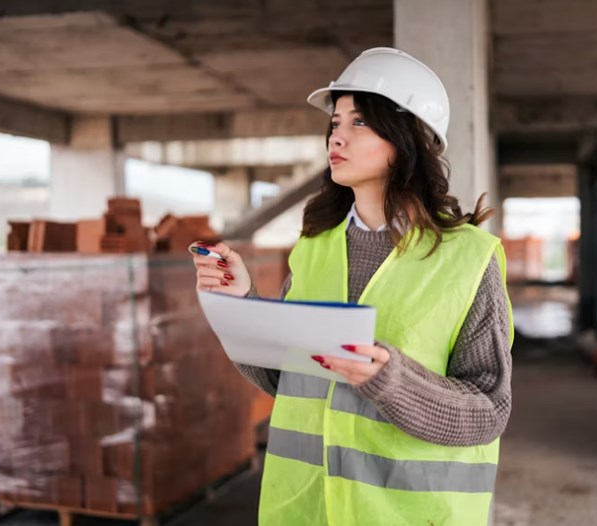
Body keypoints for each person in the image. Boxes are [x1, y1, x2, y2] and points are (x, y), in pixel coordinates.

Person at [190, 47, 514, 526]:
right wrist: (241, 304)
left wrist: (392, 381)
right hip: (306, 511)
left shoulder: (468, 259)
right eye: (335, 123)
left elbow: (489, 411)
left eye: (359, 122)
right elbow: (288, 381)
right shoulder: (314, 248)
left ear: (408, 139)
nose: (336, 136)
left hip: (408, 516)